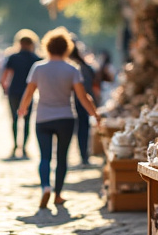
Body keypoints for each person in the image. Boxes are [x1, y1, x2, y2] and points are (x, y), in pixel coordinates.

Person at [17, 28, 100, 208]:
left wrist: (22, 108)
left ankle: (45, 187)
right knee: (62, 158)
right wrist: (95, 114)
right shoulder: (72, 69)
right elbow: (83, 97)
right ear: (66, 48)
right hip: (65, 118)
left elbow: (29, 92)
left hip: (43, 118)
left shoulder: (38, 68)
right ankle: (58, 195)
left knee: (45, 157)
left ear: (47, 47)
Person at [0, 30, 40, 159]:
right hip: (28, 93)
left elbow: (4, 77)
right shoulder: (36, 59)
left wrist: (4, 89)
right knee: (27, 121)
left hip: (14, 92)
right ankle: (24, 148)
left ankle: (15, 146)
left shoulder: (13, 57)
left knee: (14, 120)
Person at [71, 40, 99, 168]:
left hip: (76, 103)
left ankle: (83, 156)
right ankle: (84, 156)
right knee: (82, 129)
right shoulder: (82, 66)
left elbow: (85, 88)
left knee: (80, 130)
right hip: (80, 102)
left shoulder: (75, 66)